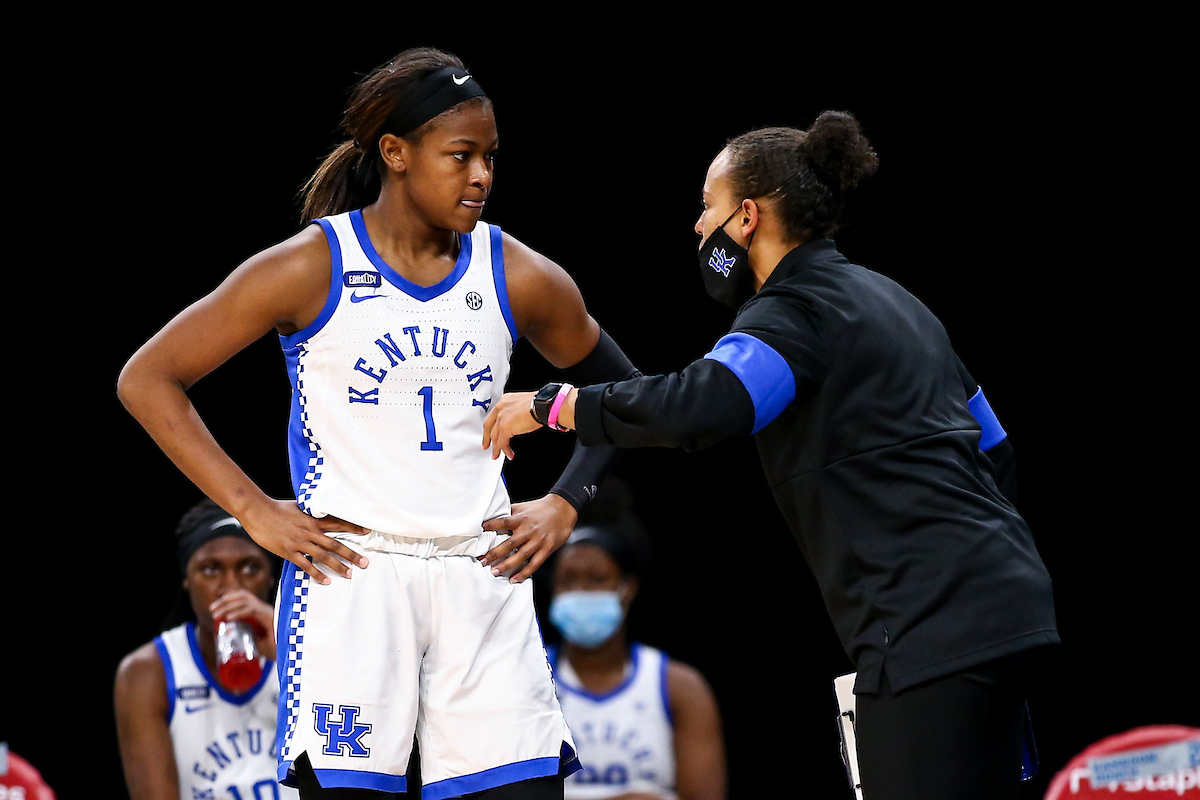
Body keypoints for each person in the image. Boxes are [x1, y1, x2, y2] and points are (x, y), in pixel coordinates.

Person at [482, 110, 1060, 800]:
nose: (699, 229)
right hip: (1009, 607)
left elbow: (704, 405)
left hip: (925, 624)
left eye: (708, 208)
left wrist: (557, 405)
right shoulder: (899, 302)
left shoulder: (794, 311)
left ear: (747, 218)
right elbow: (995, 451)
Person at [117, 47, 640, 799]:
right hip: (353, 578)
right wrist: (253, 511)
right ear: (395, 154)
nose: (482, 176)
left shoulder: (517, 272)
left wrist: (566, 502)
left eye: (490, 156)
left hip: (478, 571)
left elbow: (623, 388)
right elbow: (148, 379)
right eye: (461, 156)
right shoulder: (313, 264)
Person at [543, 481, 726, 800]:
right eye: (568, 580)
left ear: (627, 588)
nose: (581, 592)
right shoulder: (527, 683)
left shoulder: (679, 689)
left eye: (597, 579)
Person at [114, 498, 298, 800]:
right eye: (211, 570)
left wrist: (290, 652)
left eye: (250, 567)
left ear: (271, 578)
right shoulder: (149, 671)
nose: (231, 587)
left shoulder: (303, 651)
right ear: (187, 579)